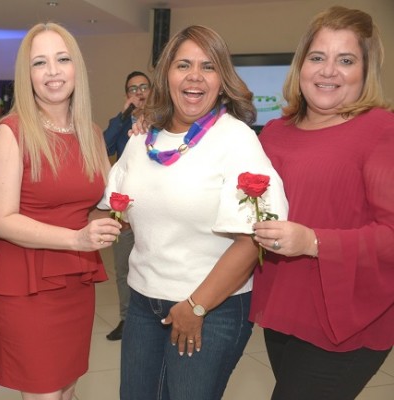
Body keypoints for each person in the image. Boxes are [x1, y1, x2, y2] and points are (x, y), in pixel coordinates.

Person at [100, 25, 288, 400]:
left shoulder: (237, 140)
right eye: (183, 64)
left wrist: (195, 305)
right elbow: (110, 211)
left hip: (211, 307)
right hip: (143, 303)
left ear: (222, 80)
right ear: (166, 75)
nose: (194, 76)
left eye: (208, 66)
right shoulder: (141, 140)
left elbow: (254, 240)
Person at [0, 22, 122, 400]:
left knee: (68, 385)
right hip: (25, 281)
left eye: (62, 59)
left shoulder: (90, 131)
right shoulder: (11, 132)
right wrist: (76, 237)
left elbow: (108, 201)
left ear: (77, 68)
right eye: (40, 63)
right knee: (44, 392)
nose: (53, 71)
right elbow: (0, 220)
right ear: (28, 75)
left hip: (75, 278)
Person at [250, 6, 394, 400]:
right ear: (301, 66)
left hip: (348, 319)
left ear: (365, 71)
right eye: (317, 57)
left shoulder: (382, 131)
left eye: (345, 60)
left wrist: (314, 242)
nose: (328, 71)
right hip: (284, 309)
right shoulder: (277, 132)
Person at [103, 70, 151, 341]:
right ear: (127, 96)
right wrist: (122, 118)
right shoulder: (119, 123)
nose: (140, 92)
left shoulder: (166, 121)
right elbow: (103, 147)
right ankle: (126, 319)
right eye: (133, 89)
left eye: (144, 87)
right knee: (123, 268)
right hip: (124, 209)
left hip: (154, 207)